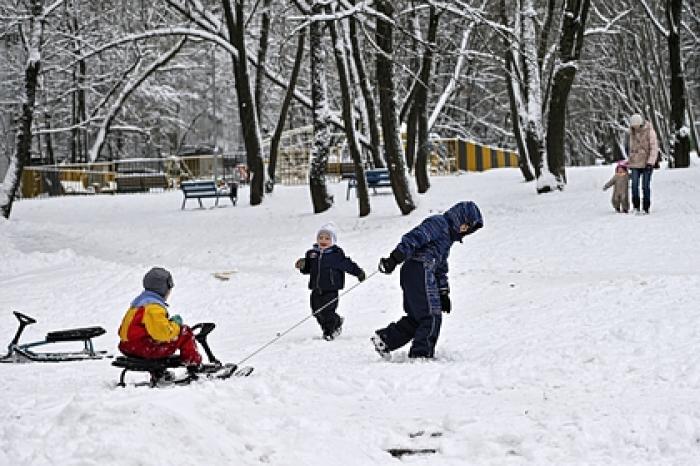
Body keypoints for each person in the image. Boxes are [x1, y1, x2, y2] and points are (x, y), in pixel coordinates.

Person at [372, 201, 483, 360]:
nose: (465, 230)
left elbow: (441, 268)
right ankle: (421, 355)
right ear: (459, 218)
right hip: (418, 270)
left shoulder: (447, 240)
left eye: (468, 229)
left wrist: (443, 293)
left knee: (418, 317)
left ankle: (386, 340)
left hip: (421, 273)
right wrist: (395, 257)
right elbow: (416, 237)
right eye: (466, 225)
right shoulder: (439, 223)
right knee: (431, 316)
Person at [118, 267, 203, 368]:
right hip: (143, 349)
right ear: (163, 289)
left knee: (158, 338)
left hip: (128, 346)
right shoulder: (153, 307)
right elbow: (163, 334)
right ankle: (193, 363)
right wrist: (176, 325)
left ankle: (159, 372)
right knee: (185, 332)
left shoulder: (139, 304)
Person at [295, 223, 366, 340]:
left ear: (332, 240)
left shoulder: (336, 255)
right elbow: (308, 269)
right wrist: (303, 265)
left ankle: (330, 330)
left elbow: (348, 265)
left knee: (327, 311)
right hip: (316, 288)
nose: (323, 240)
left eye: (327, 238)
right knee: (316, 311)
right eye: (320, 237)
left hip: (331, 289)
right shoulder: (312, 254)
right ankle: (330, 325)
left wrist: (358, 272)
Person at [627, 114, 658, 214]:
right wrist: (629, 160)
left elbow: (654, 148)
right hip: (635, 163)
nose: (635, 128)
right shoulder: (631, 133)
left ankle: (646, 207)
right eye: (633, 126)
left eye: (636, 126)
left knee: (645, 185)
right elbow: (631, 148)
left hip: (647, 163)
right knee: (634, 185)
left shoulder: (650, 132)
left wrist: (651, 162)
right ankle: (636, 206)